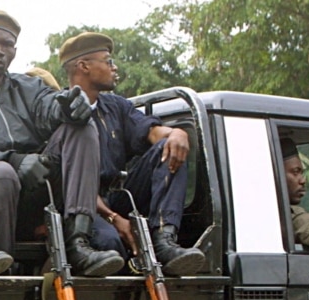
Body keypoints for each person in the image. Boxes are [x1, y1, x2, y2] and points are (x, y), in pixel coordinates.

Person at [0, 11, 122, 277]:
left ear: (15, 52)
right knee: (0, 171)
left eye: (6, 45)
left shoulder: (27, 87)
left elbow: (49, 106)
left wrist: (68, 105)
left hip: (34, 192)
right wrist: (13, 160)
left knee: (81, 127)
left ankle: (78, 240)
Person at [61, 32, 206, 276]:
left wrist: (177, 133)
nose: (114, 68)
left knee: (166, 147)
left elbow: (150, 132)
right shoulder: (61, 110)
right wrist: (114, 219)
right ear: (83, 66)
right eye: (107, 61)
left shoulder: (116, 106)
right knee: (110, 245)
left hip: (117, 196)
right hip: (82, 203)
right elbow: (65, 182)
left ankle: (164, 240)